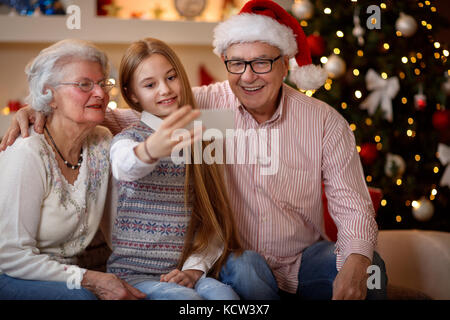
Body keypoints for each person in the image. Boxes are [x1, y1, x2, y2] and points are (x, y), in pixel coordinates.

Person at [1, 0, 388, 300]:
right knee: (244, 272)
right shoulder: (203, 109)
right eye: (236, 63)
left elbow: (353, 206)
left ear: (285, 64)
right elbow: (128, 119)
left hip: (300, 258)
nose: (248, 76)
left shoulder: (321, 121)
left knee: (371, 270)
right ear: (225, 62)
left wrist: (356, 261)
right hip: (231, 259)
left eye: (262, 63)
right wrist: (44, 108)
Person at [0, 39, 146, 300]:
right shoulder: (28, 152)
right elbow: (11, 255)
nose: (101, 94)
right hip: (13, 274)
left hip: (66, 273)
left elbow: (117, 231)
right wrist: (87, 279)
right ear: (49, 94)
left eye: (103, 84)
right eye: (84, 85)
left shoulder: (102, 142)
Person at [106, 37, 249, 300]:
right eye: (150, 85)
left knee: (226, 298)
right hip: (133, 276)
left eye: (171, 77)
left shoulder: (201, 139)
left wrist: (194, 269)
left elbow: (212, 221)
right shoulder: (129, 140)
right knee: (188, 302)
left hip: (183, 274)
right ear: (132, 94)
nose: (165, 90)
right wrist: (151, 150)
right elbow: (124, 166)